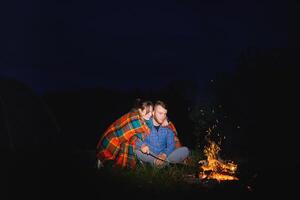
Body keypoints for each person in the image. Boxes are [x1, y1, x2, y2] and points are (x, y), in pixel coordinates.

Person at [96, 98, 153, 169]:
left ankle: (126, 163)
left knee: (130, 143)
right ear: (140, 110)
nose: (149, 114)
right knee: (109, 150)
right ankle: (101, 160)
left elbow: (137, 134)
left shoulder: (144, 119)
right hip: (113, 136)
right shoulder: (134, 118)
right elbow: (141, 131)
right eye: (146, 111)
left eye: (151, 111)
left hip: (123, 138)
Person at [135, 100, 189, 168]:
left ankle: (162, 164)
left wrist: (164, 154)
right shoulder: (145, 123)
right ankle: (161, 163)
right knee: (137, 151)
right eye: (160, 113)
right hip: (150, 154)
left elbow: (171, 145)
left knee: (185, 150)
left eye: (165, 114)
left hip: (164, 156)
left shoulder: (167, 127)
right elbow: (136, 138)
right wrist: (142, 145)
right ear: (153, 113)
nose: (163, 116)